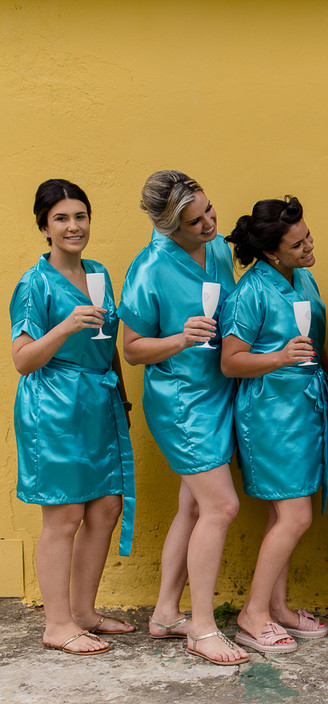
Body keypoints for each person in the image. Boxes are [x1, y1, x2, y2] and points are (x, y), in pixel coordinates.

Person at [119, 170, 248, 665]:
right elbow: (132, 350)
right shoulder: (149, 268)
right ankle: (202, 628)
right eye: (195, 222)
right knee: (221, 507)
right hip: (181, 402)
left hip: (219, 390)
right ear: (169, 227)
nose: (209, 224)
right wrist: (179, 338)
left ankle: (166, 612)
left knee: (193, 507)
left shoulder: (215, 249)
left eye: (209, 210)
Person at [10, 179, 135, 655]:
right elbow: (22, 360)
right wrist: (65, 324)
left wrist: (120, 399)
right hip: (54, 407)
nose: (73, 226)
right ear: (44, 226)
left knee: (106, 508)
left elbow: (108, 345)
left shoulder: (99, 271)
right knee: (64, 515)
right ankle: (57, 624)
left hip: (99, 401)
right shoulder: (33, 283)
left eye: (80, 216)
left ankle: (83, 612)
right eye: (61, 218)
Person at [220, 196, 328, 654]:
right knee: (295, 515)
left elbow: (315, 342)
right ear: (271, 252)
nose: (310, 246)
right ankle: (253, 614)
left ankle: (278, 606)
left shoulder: (304, 278)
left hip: (304, 407)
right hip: (269, 413)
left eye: (308, 235)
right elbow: (231, 362)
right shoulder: (249, 293)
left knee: (281, 513)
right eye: (298, 243)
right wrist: (280, 358)